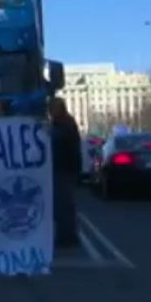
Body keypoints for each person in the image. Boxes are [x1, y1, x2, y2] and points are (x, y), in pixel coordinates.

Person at [49, 97, 82, 248]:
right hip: (64, 168)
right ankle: (66, 235)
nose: (50, 112)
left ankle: (68, 236)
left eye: (53, 109)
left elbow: (59, 141)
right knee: (63, 204)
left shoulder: (65, 124)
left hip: (64, 168)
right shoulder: (62, 123)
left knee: (64, 204)